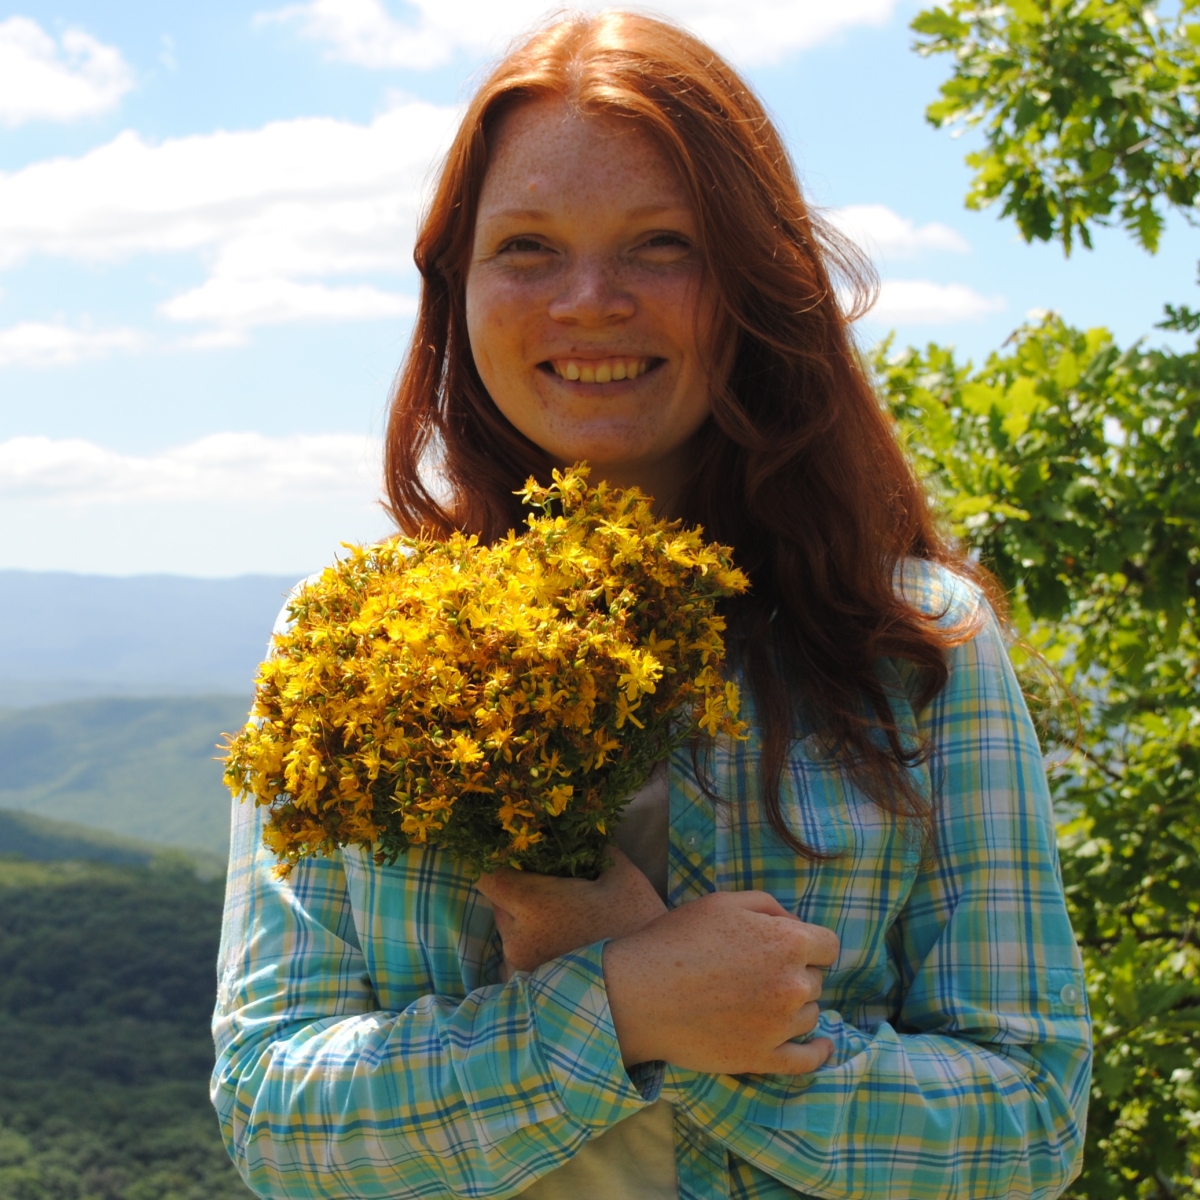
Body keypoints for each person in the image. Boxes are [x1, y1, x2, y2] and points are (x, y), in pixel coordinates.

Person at [211, 12, 1092, 1199]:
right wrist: (624, 1006)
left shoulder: (916, 647)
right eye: (527, 247)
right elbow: (273, 1114)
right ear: (456, 288)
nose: (590, 300)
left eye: (662, 245)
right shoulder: (350, 646)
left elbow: (1030, 1120)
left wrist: (698, 1034)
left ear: (757, 284)